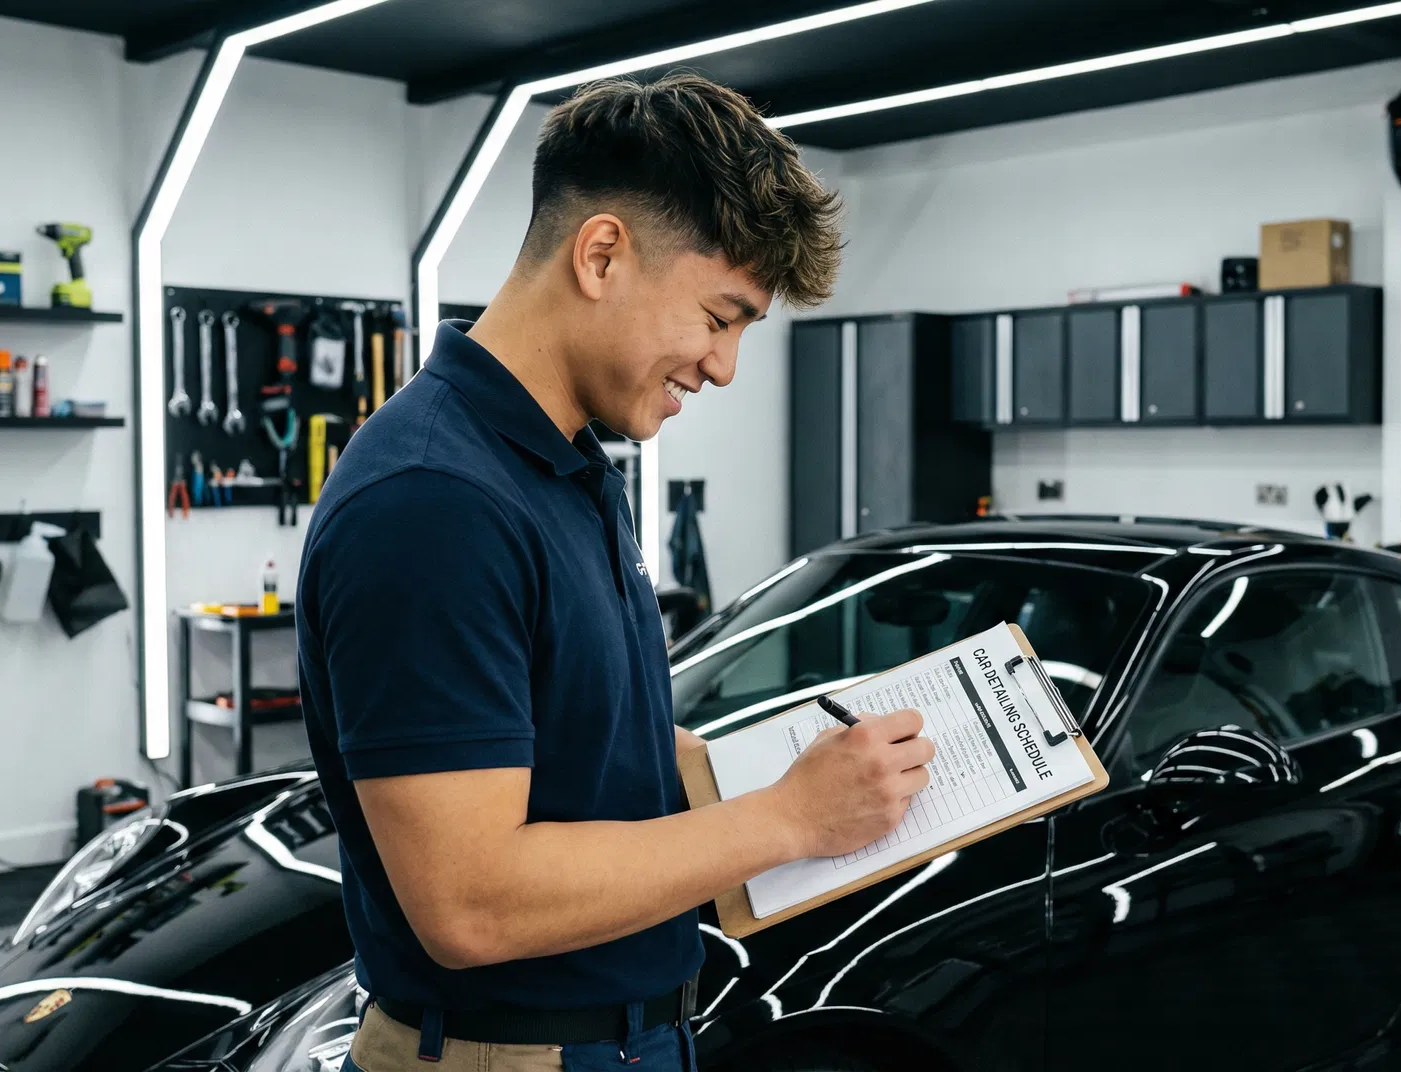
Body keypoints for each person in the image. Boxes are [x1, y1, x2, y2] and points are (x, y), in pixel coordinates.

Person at [297, 74, 936, 1072]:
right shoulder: (435, 500)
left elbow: (574, 737)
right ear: (601, 255)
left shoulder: (564, 467)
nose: (724, 366)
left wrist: (769, 776)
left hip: (620, 1038)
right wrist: (786, 817)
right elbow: (471, 901)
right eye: (719, 317)